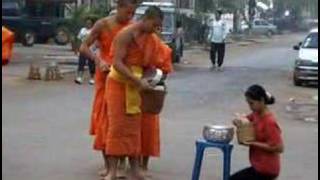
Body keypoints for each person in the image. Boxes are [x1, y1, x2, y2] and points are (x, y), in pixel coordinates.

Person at [104, 6, 171, 180]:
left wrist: (156, 81)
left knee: (135, 128)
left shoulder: (152, 39)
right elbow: (117, 63)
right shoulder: (126, 34)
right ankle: (112, 170)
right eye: (154, 25)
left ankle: (134, 169)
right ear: (147, 19)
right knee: (117, 127)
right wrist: (136, 81)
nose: (156, 29)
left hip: (138, 84)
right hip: (119, 83)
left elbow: (154, 64)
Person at [79, 0, 138, 178]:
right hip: (105, 75)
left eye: (133, 13)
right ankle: (109, 166)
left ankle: (124, 163)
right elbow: (83, 47)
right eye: (128, 13)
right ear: (119, 7)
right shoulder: (102, 24)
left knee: (125, 120)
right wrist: (98, 60)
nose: (130, 17)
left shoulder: (134, 27)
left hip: (125, 76)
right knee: (105, 120)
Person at [231, 84, 284, 180]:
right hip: (257, 167)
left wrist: (252, 143)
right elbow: (246, 120)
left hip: (267, 170)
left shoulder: (269, 122)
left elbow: (278, 147)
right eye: (248, 103)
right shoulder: (256, 114)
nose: (250, 107)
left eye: (252, 103)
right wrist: (238, 121)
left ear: (262, 101)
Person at [75, 18, 96, 85]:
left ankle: (92, 78)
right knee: (81, 63)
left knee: (91, 64)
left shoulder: (93, 30)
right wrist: (77, 49)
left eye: (89, 23)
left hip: (91, 50)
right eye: (87, 23)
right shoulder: (82, 30)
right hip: (83, 49)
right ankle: (79, 77)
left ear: (92, 24)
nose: (88, 24)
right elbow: (78, 39)